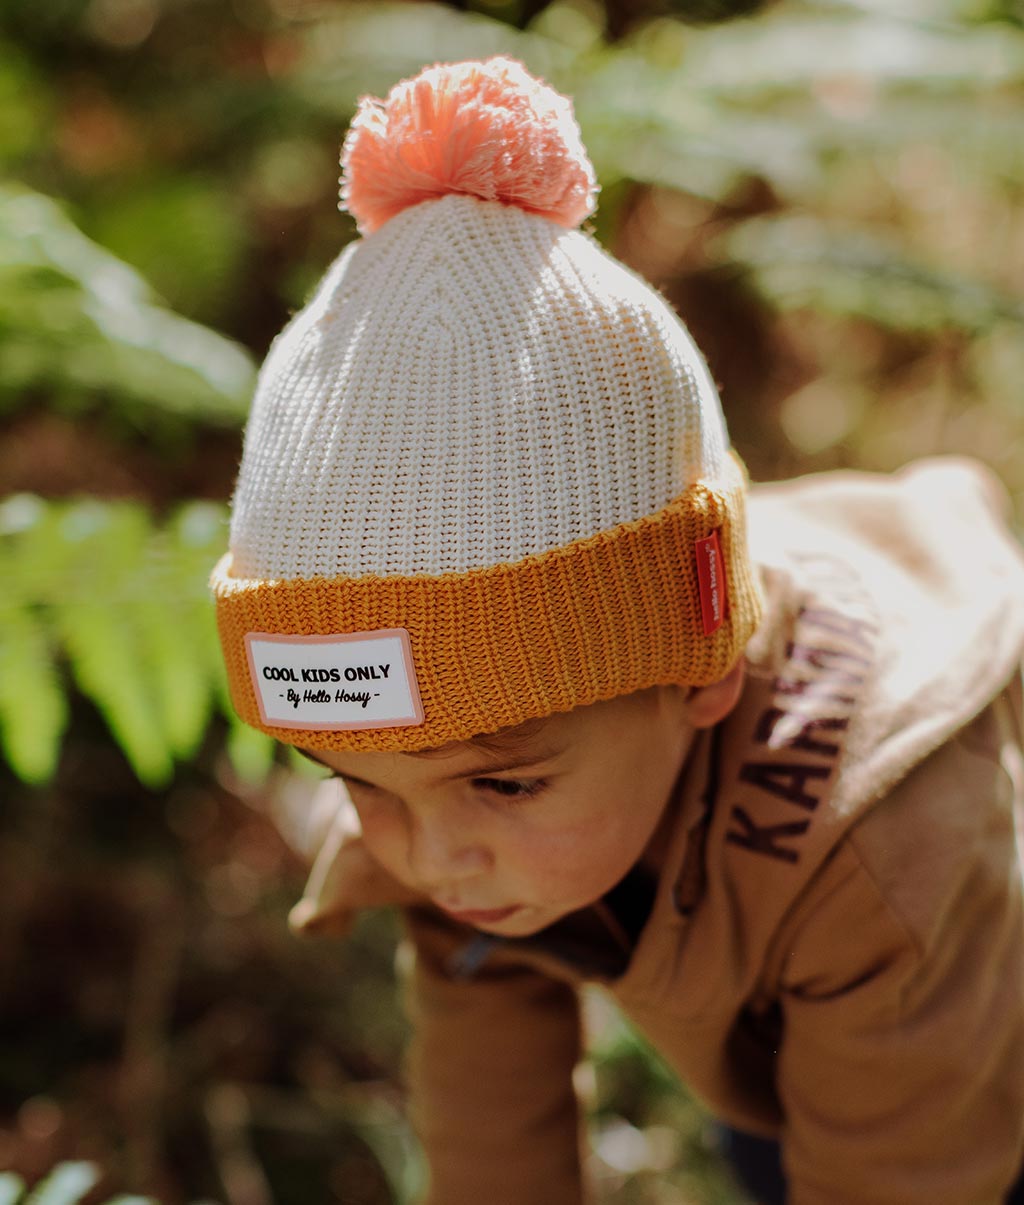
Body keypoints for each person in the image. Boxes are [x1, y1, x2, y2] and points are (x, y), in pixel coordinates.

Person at [210, 56, 1024, 1204]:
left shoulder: (886, 846)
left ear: (698, 665)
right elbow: (493, 1136)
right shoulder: (453, 807)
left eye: (503, 786)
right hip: (775, 1033)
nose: (432, 857)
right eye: (364, 785)